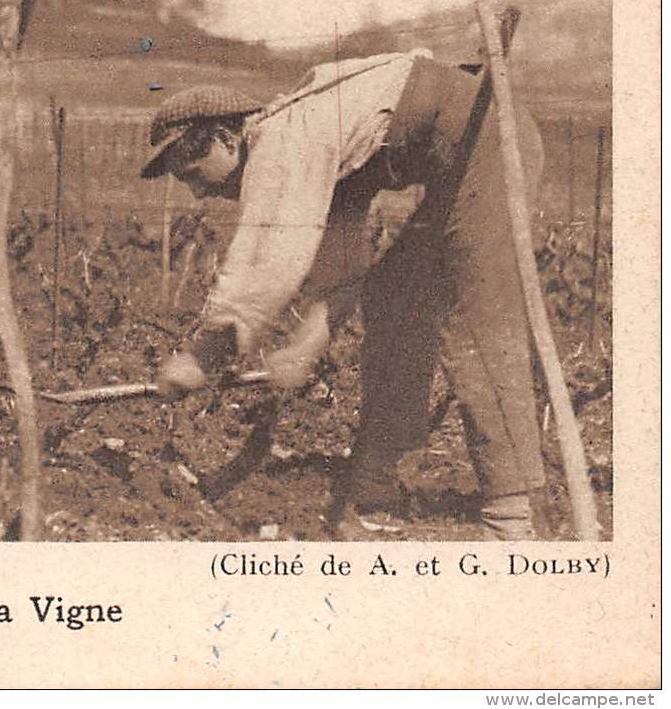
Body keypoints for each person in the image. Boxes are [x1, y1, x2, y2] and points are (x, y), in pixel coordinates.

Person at [140, 50, 547, 541]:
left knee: (474, 312)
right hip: (459, 158)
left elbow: (265, 259)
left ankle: (510, 513)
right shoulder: (323, 150)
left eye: (192, 173)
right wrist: (305, 347)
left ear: (227, 138)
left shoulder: (282, 142)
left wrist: (204, 355)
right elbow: (342, 269)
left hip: (490, 141)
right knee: (396, 298)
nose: (198, 194)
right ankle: (377, 478)